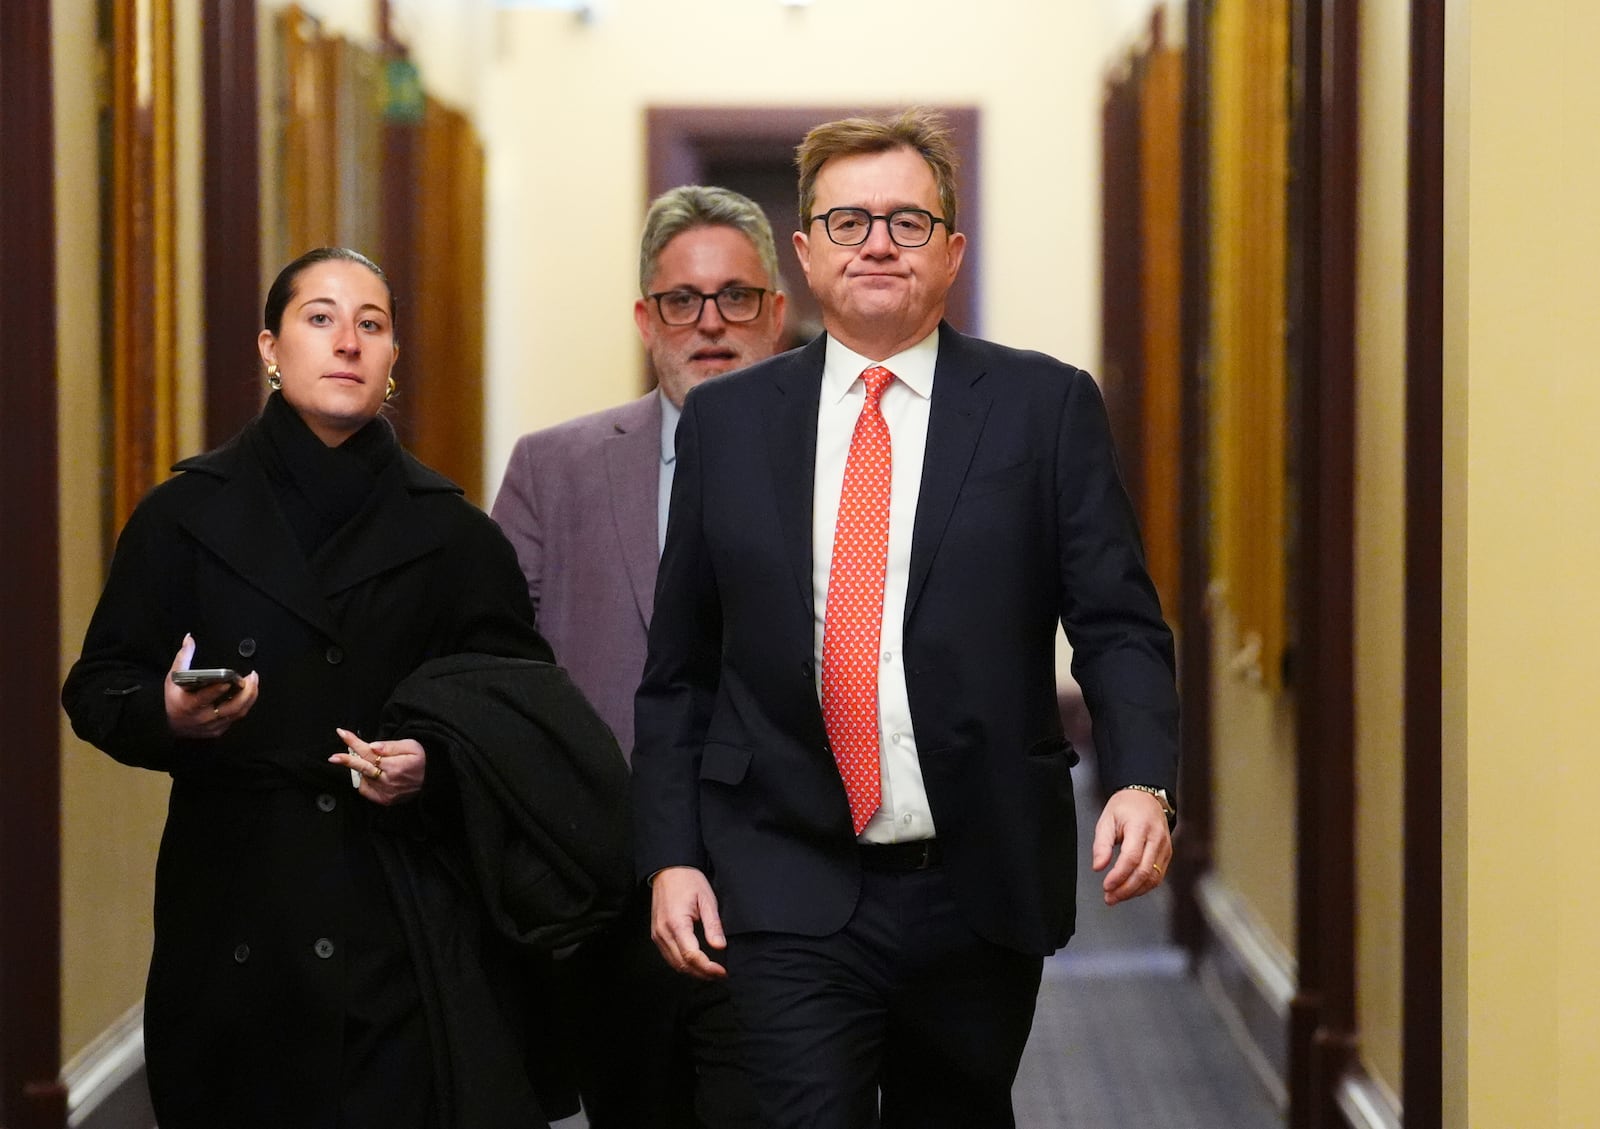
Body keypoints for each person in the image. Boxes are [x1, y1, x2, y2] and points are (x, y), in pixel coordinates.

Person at [632, 109, 1181, 1129]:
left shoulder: (1042, 408)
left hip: (973, 878)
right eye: (846, 222)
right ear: (803, 253)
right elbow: (680, 673)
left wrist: (1142, 776)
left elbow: (1116, 621)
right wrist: (670, 855)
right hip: (783, 868)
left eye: (905, 221)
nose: (876, 243)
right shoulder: (730, 424)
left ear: (951, 249)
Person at [62, 247, 630, 1129]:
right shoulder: (186, 515)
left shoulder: (453, 534)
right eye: (319, 318)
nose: (348, 343)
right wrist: (169, 712)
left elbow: (519, 718)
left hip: (403, 913)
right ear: (269, 347)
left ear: (394, 357)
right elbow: (97, 686)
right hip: (236, 906)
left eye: (371, 324)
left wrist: (433, 763)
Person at [492, 185, 786, 1128]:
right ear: (644, 317)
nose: (710, 323)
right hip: (611, 902)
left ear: (777, 314)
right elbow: (497, 672)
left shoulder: (851, 467)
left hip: (793, 898)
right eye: (681, 300)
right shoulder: (554, 470)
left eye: (737, 296)